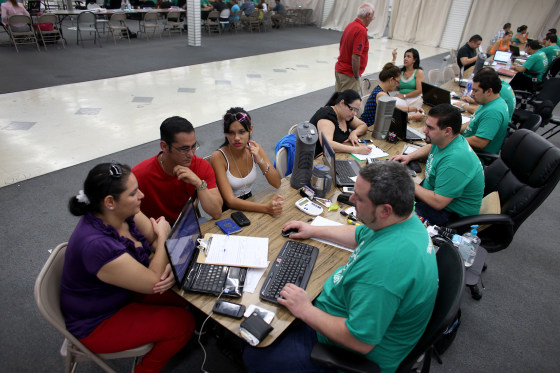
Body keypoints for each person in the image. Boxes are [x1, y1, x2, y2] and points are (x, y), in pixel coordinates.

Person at [243, 161, 439, 373]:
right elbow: (359, 234)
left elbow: (360, 341)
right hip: (349, 313)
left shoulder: (386, 266)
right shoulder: (403, 220)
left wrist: (306, 310)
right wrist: (312, 230)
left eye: (359, 198)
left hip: (350, 353)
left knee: (254, 356)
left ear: (385, 210)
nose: (351, 200)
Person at [60, 163, 195, 373]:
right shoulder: (96, 246)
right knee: (183, 323)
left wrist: (160, 244)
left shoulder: (124, 212)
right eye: (133, 193)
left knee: (190, 290)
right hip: (98, 321)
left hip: (121, 294)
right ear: (110, 201)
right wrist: (162, 237)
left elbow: (154, 242)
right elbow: (153, 280)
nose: (141, 195)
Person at [390, 104, 484, 226]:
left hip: (448, 216)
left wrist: (405, 180)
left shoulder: (455, 160)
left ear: (447, 131)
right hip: (435, 199)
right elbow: (431, 147)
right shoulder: (447, 140)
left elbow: (438, 202)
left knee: (390, 215)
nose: (425, 130)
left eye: (430, 127)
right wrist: (409, 156)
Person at [133, 116, 223, 224]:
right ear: (164, 147)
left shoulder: (201, 166)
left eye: (193, 146)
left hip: (188, 227)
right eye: (184, 149)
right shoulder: (139, 175)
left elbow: (216, 212)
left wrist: (199, 184)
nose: (190, 154)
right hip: (153, 233)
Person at [210, 107, 284, 215]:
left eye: (241, 132)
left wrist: (260, 160)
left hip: (251, 205)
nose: (236, 138)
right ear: (225, 133)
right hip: (228, 212)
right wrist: (265, 208)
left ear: (251, 130)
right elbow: (230, 201)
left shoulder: (255, 147)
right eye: (231, 133)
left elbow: (277, 183)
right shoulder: (218, 157)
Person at [461, 69, 509, 155]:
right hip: (467, 146)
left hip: (475, 155)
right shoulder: (491, 102)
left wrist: (454, 140)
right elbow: (473, 122)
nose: (472, 94)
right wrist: (455, 130)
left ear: (489, 91)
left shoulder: (493, 112)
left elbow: (480, 142)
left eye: (475, 91)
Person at [360, 63, 424, 128]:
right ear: (391, 80)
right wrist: (413, 117)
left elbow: (394, 107)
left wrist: (414, 109)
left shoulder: (382, 90)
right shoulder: (382, 95)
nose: (398, 85)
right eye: (398, 82)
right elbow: (392, 116)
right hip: (369, 128)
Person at [309, 89, 369, 157]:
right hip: (319, 160)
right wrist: (356, 150)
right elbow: (327, 144)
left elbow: (363, 125)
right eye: (352, 109)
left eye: (356, 110)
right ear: (342, 103)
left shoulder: (345, 115)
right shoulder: (327, 117)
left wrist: (354, 133)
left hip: (339, 155)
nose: (354, 114)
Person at [334, 3, 375, 93]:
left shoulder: (350, 25)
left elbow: (341, 47)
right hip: (349, 74)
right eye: (372, 17)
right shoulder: (361, 30)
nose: (372, 20)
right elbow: (356, 56)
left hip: (340, 70)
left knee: (339, 101)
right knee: (350, 104)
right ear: (368, 15)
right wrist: (356, 75)